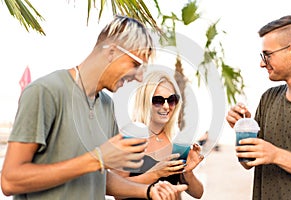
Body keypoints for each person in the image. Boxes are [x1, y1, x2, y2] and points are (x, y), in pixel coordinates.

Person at [1, 15, 188, 200]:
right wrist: (96, 158)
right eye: (136, 64)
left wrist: (148, 191)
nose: (139, 77)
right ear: (112, 52)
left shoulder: (106, 105)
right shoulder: (46, 92)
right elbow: (10, 181)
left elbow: (98, 179)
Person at [226, 15, 291, 200]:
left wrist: (275, 155)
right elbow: (248, 162)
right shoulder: (268, 98)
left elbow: (271, 155)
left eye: (267, 55)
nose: (261, 63)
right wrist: (243, 128)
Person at [114, 71, 204, 199]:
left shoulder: (175, 139)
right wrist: (155, 174)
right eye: (158, 100)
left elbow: (198, 193)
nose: (166, 106)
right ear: (145, 101)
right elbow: (117, 192)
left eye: (171, 100)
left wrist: (188, 172)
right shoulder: (129, 136)